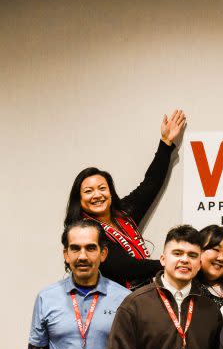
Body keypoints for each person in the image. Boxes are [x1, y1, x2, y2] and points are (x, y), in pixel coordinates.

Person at [64, 109, 187, 289]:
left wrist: (166, 143)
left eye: (102, 188)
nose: (97, 195)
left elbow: (150, 185)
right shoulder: (84, 231)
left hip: (144, 294)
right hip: (110, 302)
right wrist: (169, 263)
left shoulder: (123, 214)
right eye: (89, 191)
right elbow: (125, 268)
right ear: (79, 198)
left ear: (111, 193)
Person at [28, 220, 129, 349]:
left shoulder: (124, 299)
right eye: (75, 248)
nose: (82, 256)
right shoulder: (46, 297)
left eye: (91, 248)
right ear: (66, 254)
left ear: (103, 253)